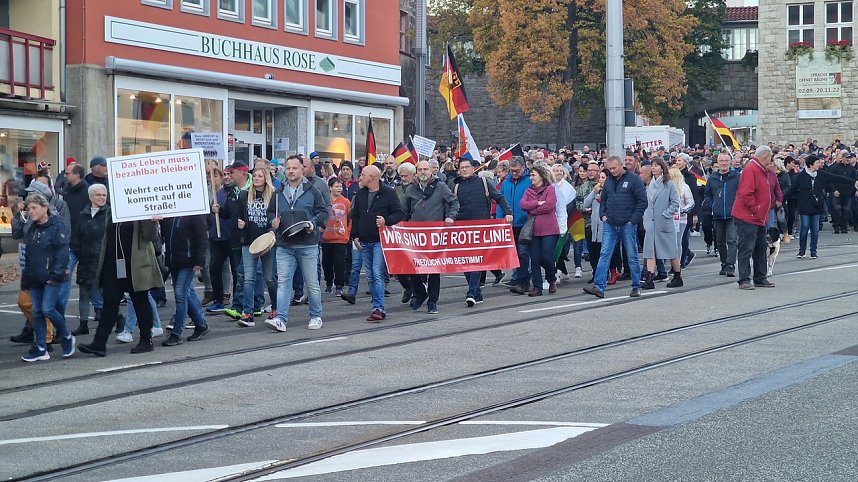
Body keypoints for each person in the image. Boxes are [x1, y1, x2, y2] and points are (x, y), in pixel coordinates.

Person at [78, 210, 163, 356]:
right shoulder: (112, 211)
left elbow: (149, 236)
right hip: (113, 265)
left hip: (136, 265)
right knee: (110, 303)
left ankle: (146, 340)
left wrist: (152, 221)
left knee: (140, 301)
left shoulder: (140, 210)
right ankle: (99, 343)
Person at [266, 156, 328, 332]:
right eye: (288, 168)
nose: (291, 171)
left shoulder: (313, 191)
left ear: (302, 170)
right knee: (283, 282)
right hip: (285, 244)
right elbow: (270, 212)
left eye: (294, 168)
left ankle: (316, 316)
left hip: (307, 244)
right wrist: (273, 221)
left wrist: (313, 223)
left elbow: (323, 212)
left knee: (312, 282)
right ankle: (280, 319)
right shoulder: (278, 193)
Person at [19, 194, 75, 362]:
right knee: (37, 312)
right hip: (35, 275)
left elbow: (62, 252)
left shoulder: (57, 225)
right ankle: (42, 347)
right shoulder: (32, 227)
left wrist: (56, 274)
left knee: (47, 309)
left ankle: (66, 336)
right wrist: (26, 278)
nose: (30, 212)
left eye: (34, 208)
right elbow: (27, 252)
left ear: (45, 208)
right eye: (28, 209)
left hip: (52, 276)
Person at [583, 156, 647, 299]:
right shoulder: (609, 181)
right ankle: (599, 286)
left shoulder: (633, 179)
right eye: (610, 169)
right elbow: (604, 199)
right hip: (610, 223)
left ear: (621, 166)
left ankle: (636, 286)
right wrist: (603, 215)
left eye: (614, 168)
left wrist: (633, 220)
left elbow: (642, 201)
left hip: (627, 223)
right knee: (605, 254)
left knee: (631, 255)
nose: (612, 171)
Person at [453, 158, 513, 306]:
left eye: (467, 167)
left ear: (474, 168)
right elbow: (450, 205)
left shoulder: (483, 183)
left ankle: (472, 292)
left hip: (481, 228)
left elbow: (499, 197)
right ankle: (477, 293)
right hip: (461, 230)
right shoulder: (455, 186)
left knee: (476, 261)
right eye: (462, 168)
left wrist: (508, 212)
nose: (465, 170)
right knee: (465, 262)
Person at [403, 160, 460, 314]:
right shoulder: (410, 189)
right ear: (416, 172)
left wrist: (451, 217)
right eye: (420, 169)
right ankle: (420, 293)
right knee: (412, 267)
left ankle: (433, 301)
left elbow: (454, 203)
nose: (422, 172)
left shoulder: (440, 186)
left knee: (434, 269)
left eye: (425, 169)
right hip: (415, 236)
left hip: (435, 235)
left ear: (431, 171)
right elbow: (405, 212)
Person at [350, 165, 404, 321]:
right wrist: (355, 235)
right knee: (370, 276)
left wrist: (387, 221)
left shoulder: (388, 192)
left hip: (379, 240)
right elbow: (356, 216)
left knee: (377, 273)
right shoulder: (360, 194)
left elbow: (399, 213)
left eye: (363, 174)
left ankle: (378, 308)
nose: (360, 177)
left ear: (372, 177)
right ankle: (376, 306)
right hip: (364, 240)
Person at [785, 154, 858, 259]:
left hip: (816, 206)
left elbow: (836, 178)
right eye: (817, 163)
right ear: (811, 165)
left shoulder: (821, 174)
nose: (819, 164)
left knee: (815, 229)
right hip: (805, 206)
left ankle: (813, 251)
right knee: (804, 228)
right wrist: (781, 200)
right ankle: (802, 250)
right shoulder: (801, 176)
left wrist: (853, 182)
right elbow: (791, 190)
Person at [235, 167, 282, 325]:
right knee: (249, 279)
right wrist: (241, 223)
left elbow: (277, 217)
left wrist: (274, 227)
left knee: (269, 278)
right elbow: (239, 216)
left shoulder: (274, 195)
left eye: (260, 176)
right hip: (249, 241)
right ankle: (247, 313)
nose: (256, 178)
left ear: (266, 178)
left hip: (267, 241)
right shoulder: (244, 195)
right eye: (254, 175)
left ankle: (276, 308)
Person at [160, 213, 210, 346]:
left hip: (189, 261)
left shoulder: (194, 213)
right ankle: (200, 324)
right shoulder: (171, 214)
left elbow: (202, 237)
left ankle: (177, 333)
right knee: (186, 295)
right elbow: (165, 234)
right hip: (174, 260)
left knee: (180, 294)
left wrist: (200, 260)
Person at [732, 146, 775, 290]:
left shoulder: (760, 170)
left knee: (760, 247)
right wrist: (756, 209)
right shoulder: (752, 169)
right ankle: (744, 279)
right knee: (747, 248)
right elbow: (746, 194)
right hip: (748, 216)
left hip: (758, 217)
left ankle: (760, 277)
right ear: (766, 157)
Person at [69, 184, 109, 335]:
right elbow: (77, 237)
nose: (101, 198)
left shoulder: (109, 214)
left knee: (108, 293)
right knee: (84, 292)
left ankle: (118, 318)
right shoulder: (83, 214)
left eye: (104, 195)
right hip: (86, 260)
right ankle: (83, 324)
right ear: (91, 197)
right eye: (98, 195)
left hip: (103, 260)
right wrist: (80, 253)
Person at [640, 159, 682, 290]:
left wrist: (666, 214)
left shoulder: (668, 184)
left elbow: (675, 202)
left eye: (656, 165)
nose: (653, 168)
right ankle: (650, 277)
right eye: (652, 166)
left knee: (671, 251)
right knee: (650, 251)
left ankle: (677, 275)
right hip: (651, 222)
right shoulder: (650, 184)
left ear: (662, 168)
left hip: (663, 222)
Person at [520, 164, 560, 296]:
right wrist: (536, 203)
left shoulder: (550, 189)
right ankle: (537, 287)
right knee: (535, 259)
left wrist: (532, 209)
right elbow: (523, 205)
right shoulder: (528, 191)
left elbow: (549, 206)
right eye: (530, 175)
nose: (531, 177)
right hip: (534, 230)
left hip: (549, 229)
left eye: (533, 175)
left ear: (541, 176)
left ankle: (551, 278)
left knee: (546, 256)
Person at [496, 156, 532, 294]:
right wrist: (500, 219)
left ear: (523, 168)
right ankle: (520, 279)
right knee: (515, 253)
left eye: (517, 170)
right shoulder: (506, 182)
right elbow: (501, 201)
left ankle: (523, 282)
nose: (514, 173)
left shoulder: (529, 181)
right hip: (510, 223)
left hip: (525, 222)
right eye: (512, 171)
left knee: (523, 253)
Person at [703, 152, 740, 277]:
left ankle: (731, 265)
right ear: (717, 163)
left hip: (732, 214)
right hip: (718, 214)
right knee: (719, 241)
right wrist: (711, 204)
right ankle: (724, 263)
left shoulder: (736, 177)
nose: (723, 163)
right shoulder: (712, 178)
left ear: (730, 162)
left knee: (732, 240)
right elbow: (707, 194)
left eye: (726, 161)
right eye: (721, 161)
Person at [322, 177, 350, 296]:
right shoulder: (324, 201)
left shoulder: (346, 202)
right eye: (336, 186)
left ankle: (339, 285)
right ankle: (329, 283)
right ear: (330, 187)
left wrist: (348, 233)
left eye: (340, 186)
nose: (339, 189)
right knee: (326, 262)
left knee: (339, 262)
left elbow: (350, 218)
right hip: (326, 237)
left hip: (340, 237)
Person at [551, 164, 577, 280]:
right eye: (556, 171)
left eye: (561, 171)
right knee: (553, 247)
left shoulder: (568, 188)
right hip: (550, 221)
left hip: (562, 221)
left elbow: (570, 206)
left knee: (559, 246)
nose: (559, 173)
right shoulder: (550, 185)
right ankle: (560, 269)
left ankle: (558, 269)